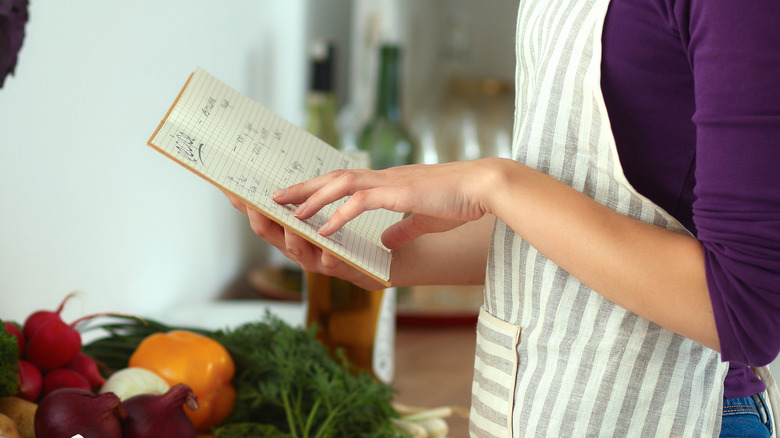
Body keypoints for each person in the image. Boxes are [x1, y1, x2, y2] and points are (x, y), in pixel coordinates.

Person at [227, 0, 780, 435]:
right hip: (533, 408)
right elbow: (590, 208)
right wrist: (379, 247)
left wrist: (494, 183)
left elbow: (744, 310)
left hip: (675, 416)